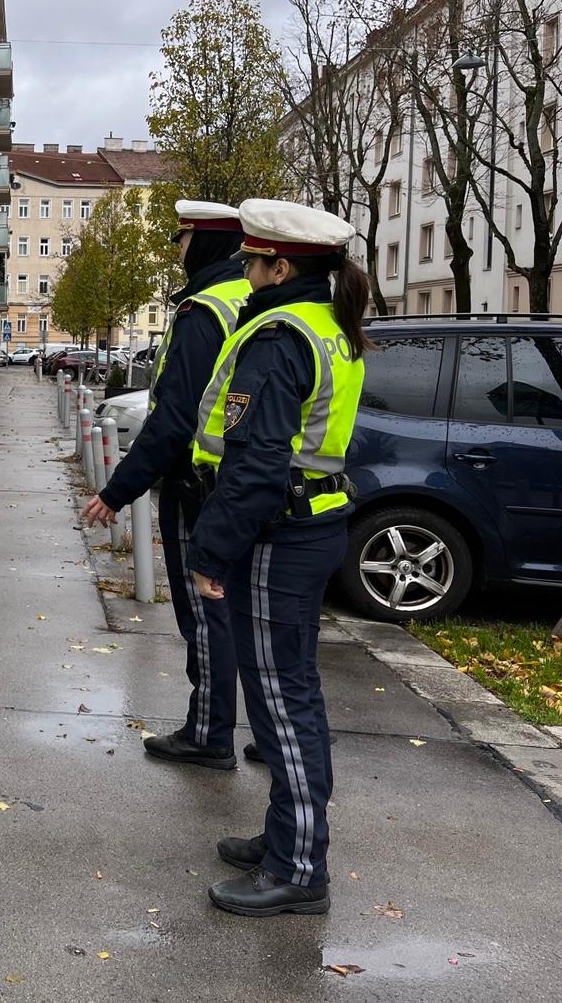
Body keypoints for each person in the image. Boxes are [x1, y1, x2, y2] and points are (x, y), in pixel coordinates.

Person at [185, 200, 368, 918]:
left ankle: (298, 867)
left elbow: (258, 463)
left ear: (280, 267)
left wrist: (210, 551)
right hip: (309, 523)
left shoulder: (281, 335)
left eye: (254, 262)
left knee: (282, 706)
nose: (247, 272)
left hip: (280, 534)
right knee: (291, 695)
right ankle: (287, 837)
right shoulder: (325, 323)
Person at [81, 201, 250, 771]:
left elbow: (175, 418)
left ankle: (209, 732)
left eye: (183, 238)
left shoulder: (203, 310)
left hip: (199, 484)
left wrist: (116, 491)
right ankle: (269, 734)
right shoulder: (253, 297)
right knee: (246, 611)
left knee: (204, 611)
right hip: (248, 481)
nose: (177, 249)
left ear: (206, 242)